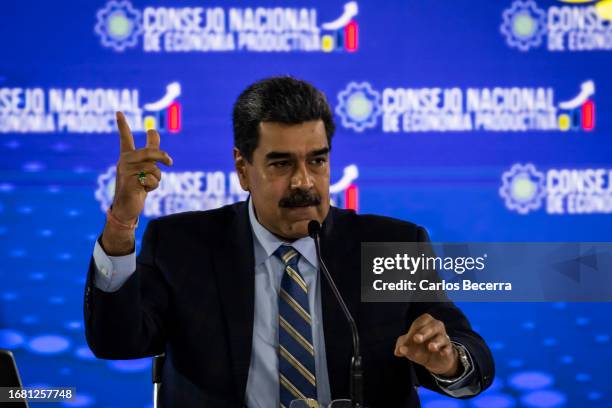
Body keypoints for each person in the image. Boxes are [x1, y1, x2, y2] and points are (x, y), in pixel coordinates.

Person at [84, 76, 494, 408]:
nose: (303, 182)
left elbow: (470, 363)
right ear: (243, 169)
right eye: (281, 164)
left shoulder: (390, 246)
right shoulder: (183, 244)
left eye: (317, 161)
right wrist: (121, 224)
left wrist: (447, 360)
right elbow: (115, 342)